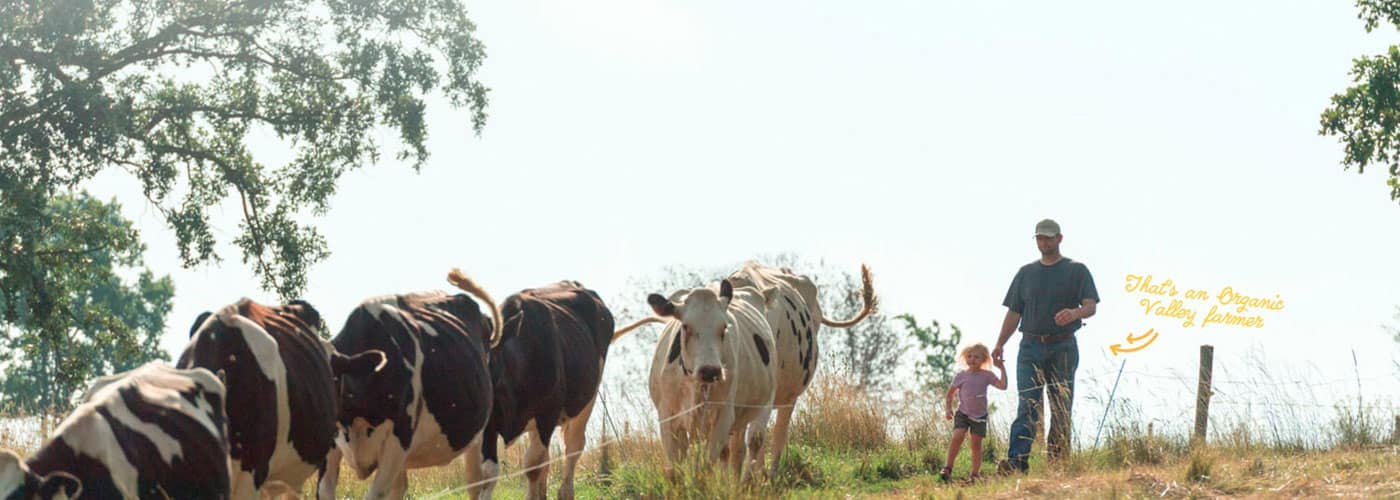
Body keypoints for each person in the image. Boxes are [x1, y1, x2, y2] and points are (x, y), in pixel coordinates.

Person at [993, 218, 1099, 474]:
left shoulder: (1077, 270)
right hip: (1029, 345)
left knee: (1061, 405)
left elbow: (1091, 306)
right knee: (1027, 404)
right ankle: (1017, 463)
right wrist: (999, 343)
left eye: (1049, 237)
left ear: (1059, 239)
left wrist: (1074, 314)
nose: (1044, 242)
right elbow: (1014, 312)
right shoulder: (1025, 273)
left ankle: (1058, 464)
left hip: (1062, 346)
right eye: (1040, 238)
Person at [940, 343, 1007, 482]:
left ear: (983, 360)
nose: (972, 359)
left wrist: (1002, 368)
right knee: (957, 437)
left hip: (980, 416)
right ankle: (947, 467)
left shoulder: (986, 375)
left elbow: (1003, 386)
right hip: (963, 413)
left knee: (976, 445)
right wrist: (948, 409)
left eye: (976, 357)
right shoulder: (961, 376)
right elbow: (949, 395)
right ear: (965, 358)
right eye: (969, 356)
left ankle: (975, 474)